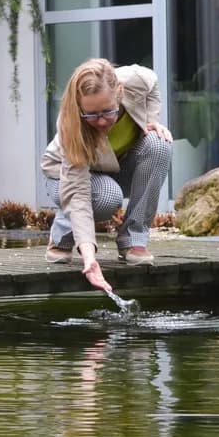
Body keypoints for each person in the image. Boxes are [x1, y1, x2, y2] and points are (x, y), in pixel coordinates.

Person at [41, 58, 174, 292]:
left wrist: (152, 120)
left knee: (159, 143)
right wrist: (89, 258)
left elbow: (152, 82)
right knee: (106, 198)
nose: (101, 121)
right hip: (66, 178)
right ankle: (62, 233)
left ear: (119, 93)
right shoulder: (71, 125)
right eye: (91, 115)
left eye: (107, 111)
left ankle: (134, 239)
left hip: (116, 166)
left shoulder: (134, 80)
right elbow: (78, 194)